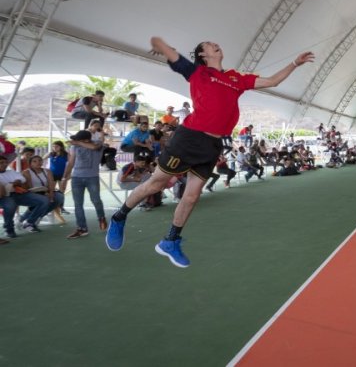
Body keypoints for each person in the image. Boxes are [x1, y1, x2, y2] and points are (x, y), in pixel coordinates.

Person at [105, 37, 314, 267]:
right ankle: (120, 216)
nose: (216, 44)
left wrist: (295, 63)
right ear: (203, 55)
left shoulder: (236, 78)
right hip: (189, 138)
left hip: (213, 145)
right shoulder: (197, 73)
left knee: (192, 196)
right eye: (209, 44)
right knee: (156, 183)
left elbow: (273, 81)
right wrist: (159, 45)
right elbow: (164, 47)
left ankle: (170, 240)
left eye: (216, 43)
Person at [63, 130, 108, 239]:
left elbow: (94, 147)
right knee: (78, 204)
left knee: (96, 200)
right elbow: (71, 162)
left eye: (78, 139)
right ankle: (82, 228)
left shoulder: (97, 143)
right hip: (76, 178)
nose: (75, 141)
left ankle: (101, 218)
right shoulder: (75, 147)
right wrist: (64, 177)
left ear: (86, 139)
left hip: (92, 177)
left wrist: (78, 143)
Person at [0, 156, 49, 236]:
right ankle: (9, 229)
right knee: (10, 204)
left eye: (5, 162)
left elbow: (22, 179)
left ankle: (29, 222)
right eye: (1, 163)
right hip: (3, 197)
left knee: (44, 200)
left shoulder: (11, 172)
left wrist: (17, 181)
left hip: (18, 194)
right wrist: (12, 183)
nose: (4, 164)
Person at [22, 155, 65, 224]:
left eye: (40, 160)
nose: (38, 162)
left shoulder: (48, 171)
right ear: (30, 164)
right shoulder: (26, 172)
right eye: (35, 161)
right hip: (32, 192)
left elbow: (51, 184)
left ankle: (38, 217)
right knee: (43, 199)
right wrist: (44, 193)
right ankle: (24, 219)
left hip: (46, 191)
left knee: (59, 197)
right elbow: (29, 188)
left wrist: (51, 194)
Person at [44, 140, 70, 212]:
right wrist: (45, 168)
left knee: (62, 191)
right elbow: (42, 159)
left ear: (61, 147)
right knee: (51, 190)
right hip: (52, 174)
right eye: (53, 146)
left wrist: (68, 174)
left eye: (56, 146)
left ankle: (61, 207)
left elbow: (71, 164)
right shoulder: (51, 154)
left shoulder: (66, 154)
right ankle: (50, 204)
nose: (54, 148)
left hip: (63, 174)